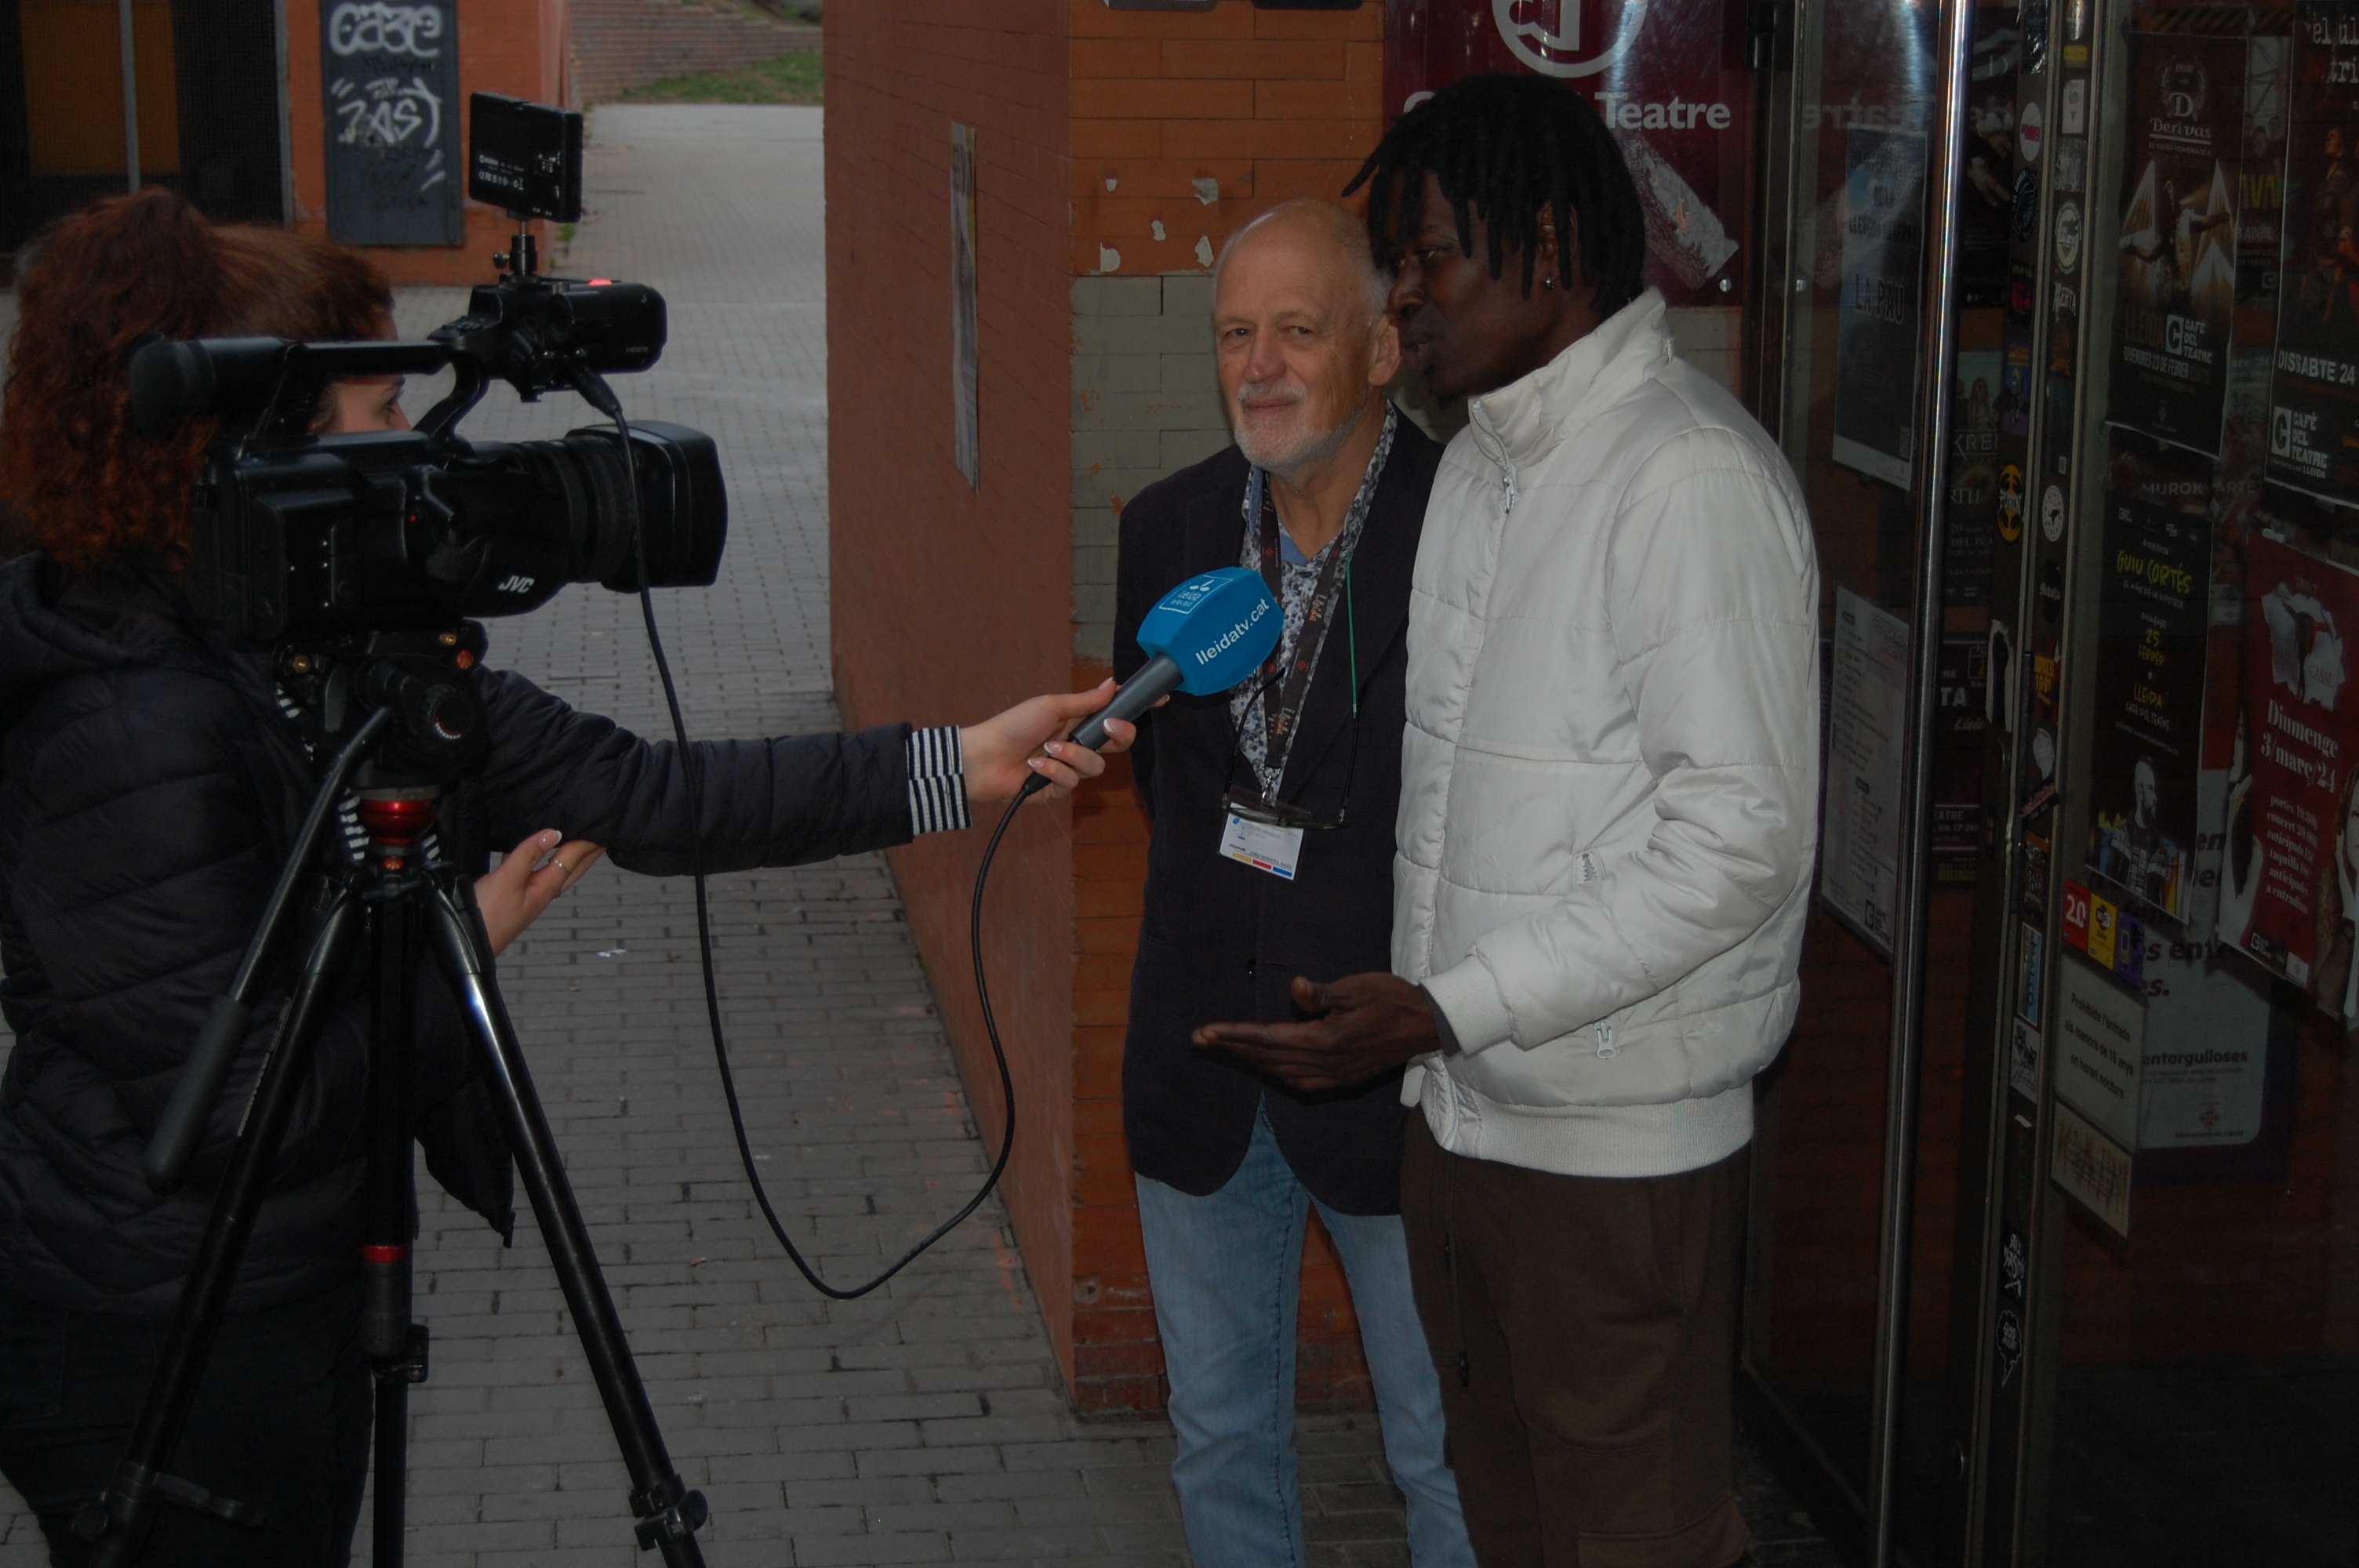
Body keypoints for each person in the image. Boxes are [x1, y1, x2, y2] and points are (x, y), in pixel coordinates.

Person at [0, 190, 1133, 1566]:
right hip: (156, 1326)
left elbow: (653, 797)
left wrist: (963, 764)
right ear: (246, 462)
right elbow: (244, 1108)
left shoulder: (330, 647)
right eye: (370, 424)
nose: (411, 461)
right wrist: (455, 944)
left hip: (282, 1281)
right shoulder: (127, 721)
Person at [1196, 76, 1820, 1568]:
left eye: (1426, 258)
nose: (1400, 305)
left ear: (1549, 241)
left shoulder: (1687, 478)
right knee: (1505, 1524)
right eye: (1397, 264)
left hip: (1616, 1164)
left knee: (1635, 1537)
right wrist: (1430, 1037)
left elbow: (1739, 840)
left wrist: (1446, 1007)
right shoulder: (1480, 464)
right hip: (1467, 1130)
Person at [1114, 200, 1471, 1568]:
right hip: (1199, 1054)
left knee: (1436, 1453)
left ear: (1382, 348)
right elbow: (1170, 788)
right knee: (1218, 1438)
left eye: (1298, 332)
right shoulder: (1169, 529)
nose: (1257, 366)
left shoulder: (1469, 535)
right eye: (1235, 335)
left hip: (1392, 1080)